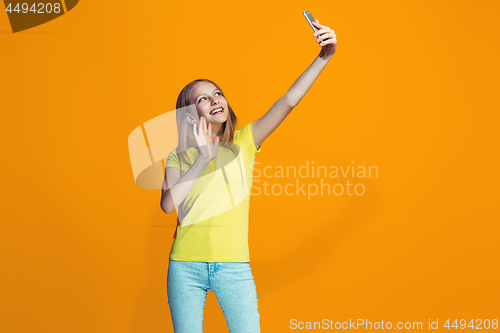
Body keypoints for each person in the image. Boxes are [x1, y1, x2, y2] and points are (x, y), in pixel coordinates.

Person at [161, 19, 337, 333]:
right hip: (185, 267)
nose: (215, 99)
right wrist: (202, 159)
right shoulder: (178, 156)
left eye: (217, 93)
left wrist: (323, 57)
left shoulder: (245, 142)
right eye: (203, 98)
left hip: (234, 266)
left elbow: (288, 101)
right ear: (189, 117)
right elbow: (167, 204)